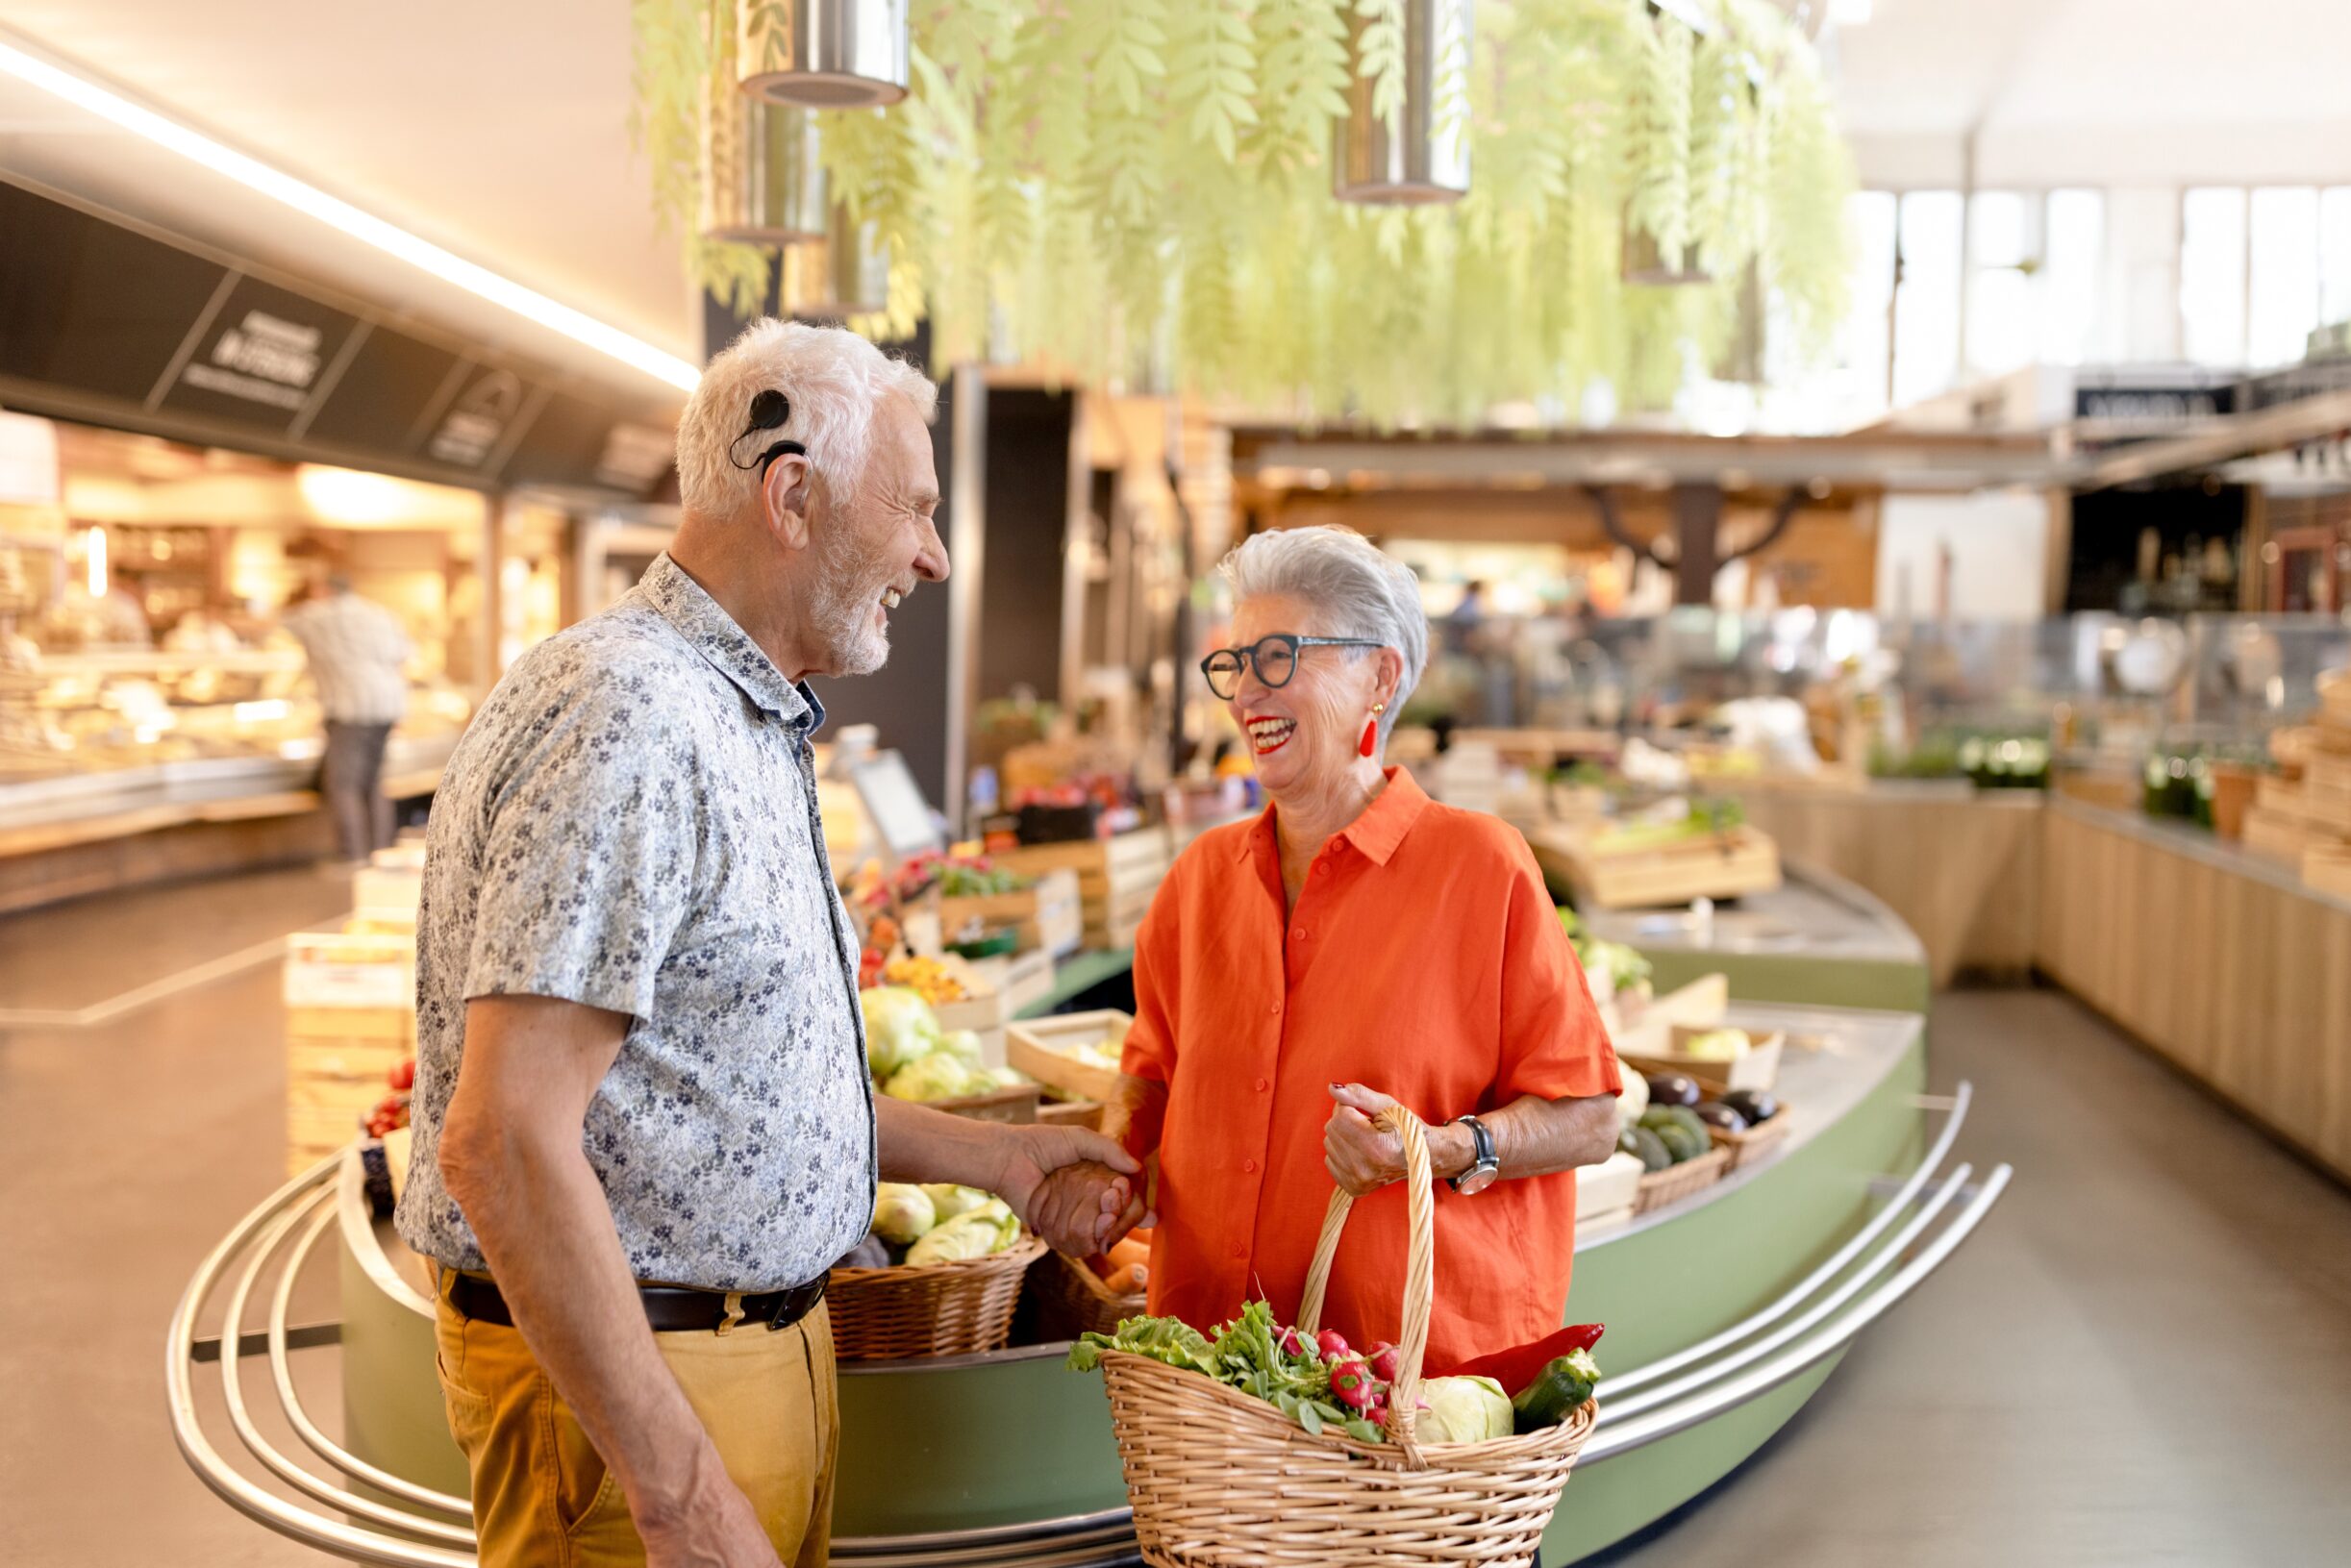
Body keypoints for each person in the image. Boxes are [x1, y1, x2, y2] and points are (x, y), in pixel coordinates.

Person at [395, 319, 1139, 1568]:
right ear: (790, 492)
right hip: (641, 1374)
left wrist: (996, 1158)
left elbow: (726, 1083)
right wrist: (677, 1487)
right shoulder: (632, 718)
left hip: (734, 1348)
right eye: (914, 508)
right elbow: (504, 1139)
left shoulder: (733, 713)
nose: (937, 555)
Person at [1102, 526, 1622, 1373]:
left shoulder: (1480, 866)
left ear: (1378, 676)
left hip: (1406, 1388)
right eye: (1234, 665)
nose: (1245, 698)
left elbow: (1592, 1117)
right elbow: (1149, 1082)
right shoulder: (1197, 879)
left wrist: (1442, 1146)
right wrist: (1106, 1165)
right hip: (1210, 1384)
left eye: (1277, 658)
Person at [282, 573, 413, 862]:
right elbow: (405, 655)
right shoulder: (380, 613)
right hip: (388, 704)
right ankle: (382, 854)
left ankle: (353, 856)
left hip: (350, 707)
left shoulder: (318, 615)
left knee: (344, 784)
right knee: (373, 781)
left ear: (323, 588)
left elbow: (274, 628)